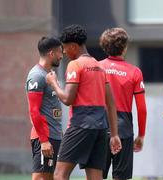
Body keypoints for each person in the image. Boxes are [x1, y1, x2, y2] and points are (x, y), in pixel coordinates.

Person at [46, 24, 122, 180]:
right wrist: (114, 134)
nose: (64, 52)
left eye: (65, 48)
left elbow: (67, 99)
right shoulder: (99, 67)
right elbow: (112, 104)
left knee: (60, 174)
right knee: (95, 177)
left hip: (81, 123)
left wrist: (53, 83)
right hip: (101, 127)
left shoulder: (75, 64)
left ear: (73, 46)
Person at [99, 27, 147, 180]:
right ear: (124, 47)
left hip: (98, 128)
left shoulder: (96, 67)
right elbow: (142, 109)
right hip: (123, 130)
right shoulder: (134, 72)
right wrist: (141, 135)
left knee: (95, 176)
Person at [25, 36, 63, 180]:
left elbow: (52, 106)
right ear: (51, 53)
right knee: (40, 178)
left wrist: (59, 131)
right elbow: (33, 111)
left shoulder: (49, 75)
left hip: (54, 135)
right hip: (45, 138)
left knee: (49, 177)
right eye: (60, 52)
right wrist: (44, 141)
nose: (62, 55)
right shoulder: (37, 76)